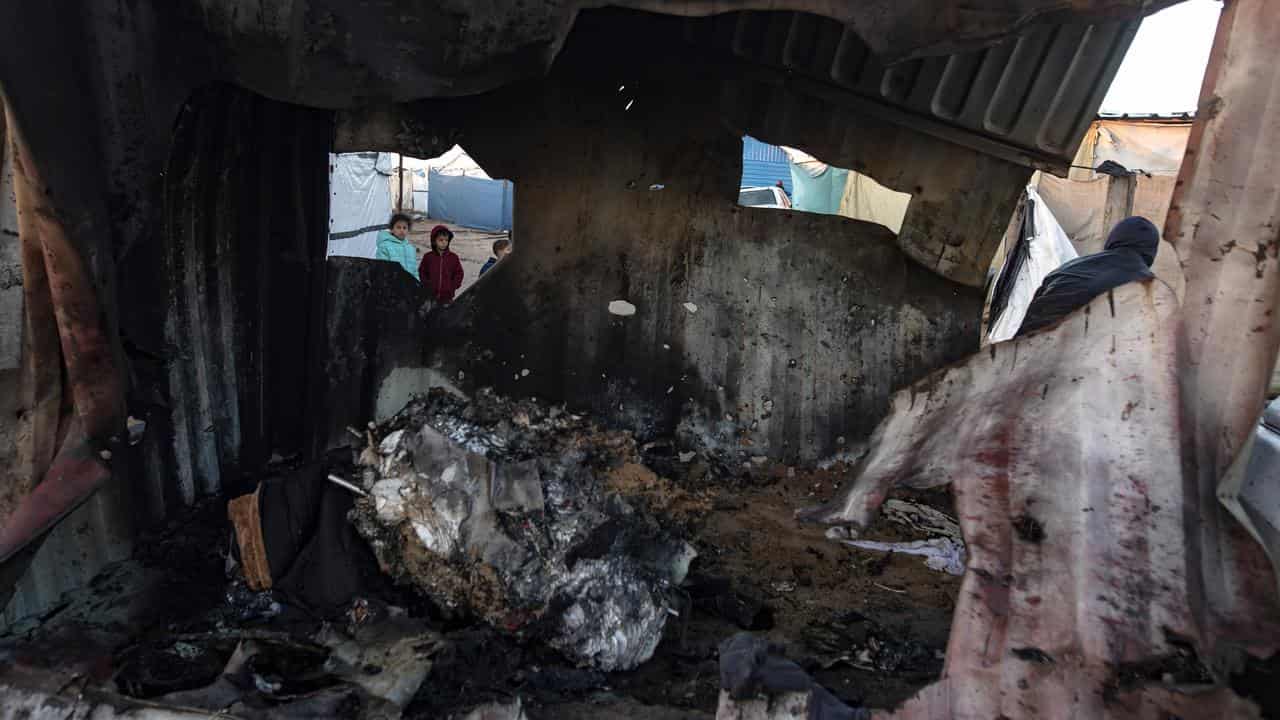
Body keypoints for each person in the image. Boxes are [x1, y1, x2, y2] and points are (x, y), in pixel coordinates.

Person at [1016, 216, 1160, 337]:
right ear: (1151, 250)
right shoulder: (1152, 289)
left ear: (1113, 238)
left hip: (1033, 353)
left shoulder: (1067, 268)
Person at [419, 224, 464, 303]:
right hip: (430, 297)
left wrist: (452, 286)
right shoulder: (428, 257)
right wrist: (426, 285)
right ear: (434, 241)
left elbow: (459, 273)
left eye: (446, 240)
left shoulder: (453, 257)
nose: (444, 242)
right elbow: (422, 272)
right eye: (441, 240)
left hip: (447, 297)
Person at [375, 213, 417, 278]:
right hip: (392, 284)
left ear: (408, 230)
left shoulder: (411, 248)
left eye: (404, 228)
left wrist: (417, 284)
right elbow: (382, 269)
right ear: (392, 229)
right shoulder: (384, 246)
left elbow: (415, 271)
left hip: (409, 285)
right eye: (398, 227)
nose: (402, 230)